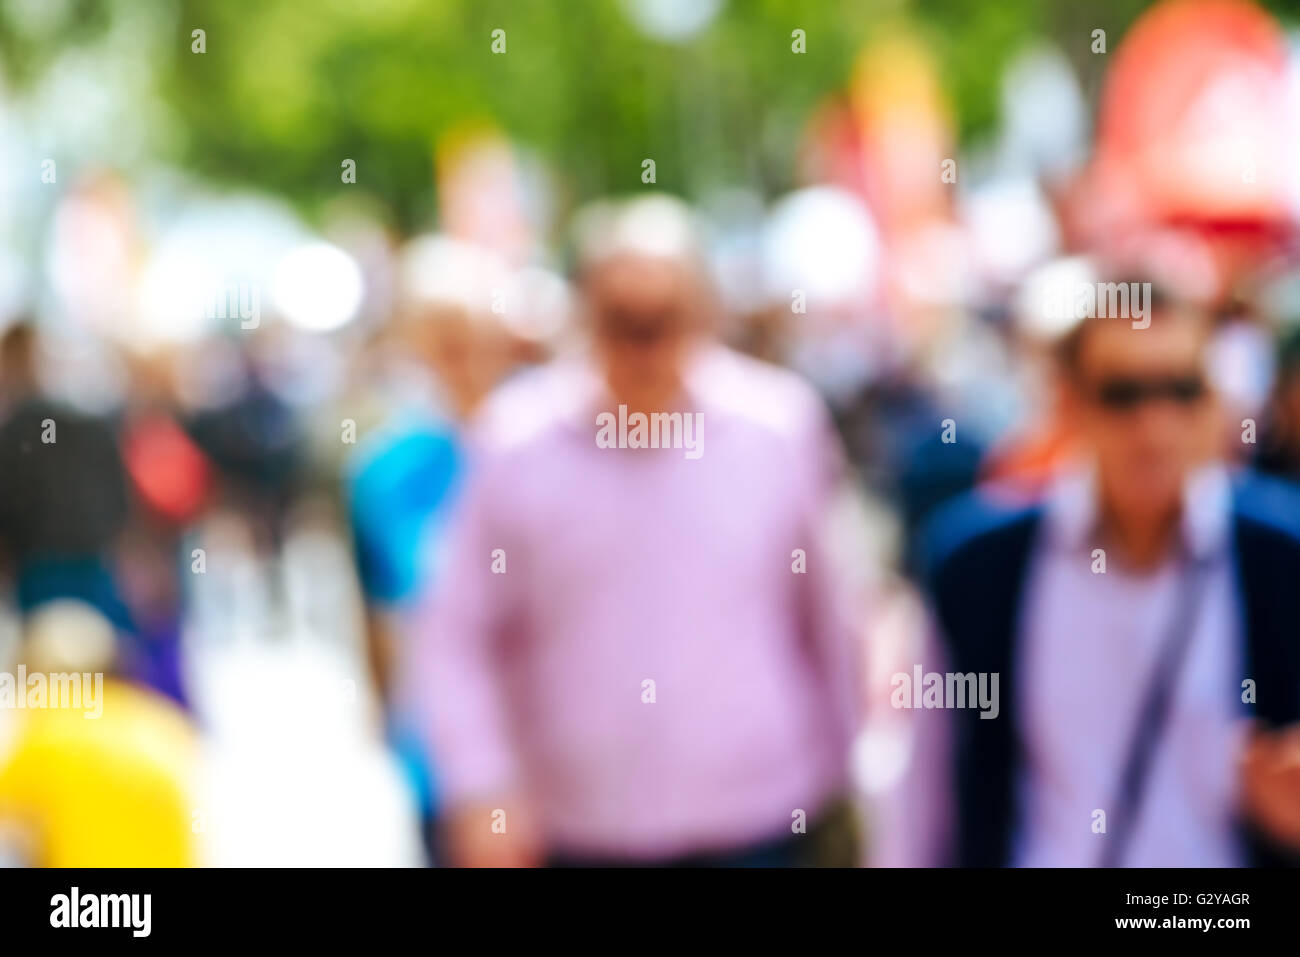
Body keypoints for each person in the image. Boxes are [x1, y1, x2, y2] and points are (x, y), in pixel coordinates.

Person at [420, 196, 861, 867]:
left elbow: (830, 612)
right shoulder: (514, 444)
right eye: (623, 321)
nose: (645, 343)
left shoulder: (779, 428)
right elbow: (458, 631)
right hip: (578, 831)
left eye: (664, 319)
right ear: (585, 316)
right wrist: (482, 785)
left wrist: (848, 775)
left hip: (763, 822)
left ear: (705, 313)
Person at [913, 284, 1300, 866]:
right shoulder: (979, 566)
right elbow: (925, 790)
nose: (1155, 424)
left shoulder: (1281, 557)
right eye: (1123, 394)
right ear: (1067, 403)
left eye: (1181, 390)